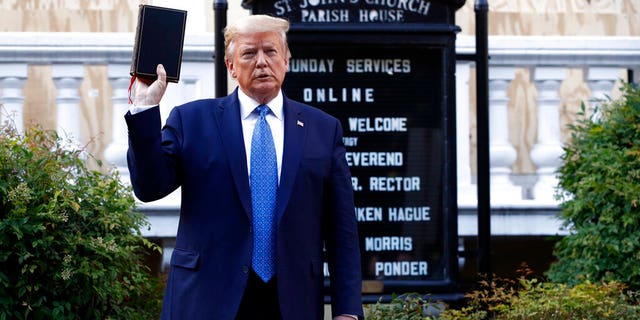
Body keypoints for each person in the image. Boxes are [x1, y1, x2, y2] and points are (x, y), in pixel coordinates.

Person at [125, 14, 364, 320]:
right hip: (206, 299)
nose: (262, 62)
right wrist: (145, 109)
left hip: (292, 301)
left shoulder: (323, 129)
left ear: (287, 60)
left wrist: (348, 310)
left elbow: (342, 229)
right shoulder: (192, 121)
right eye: (249, 53)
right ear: (231, 66)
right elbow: (149, 187)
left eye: (271, 51)